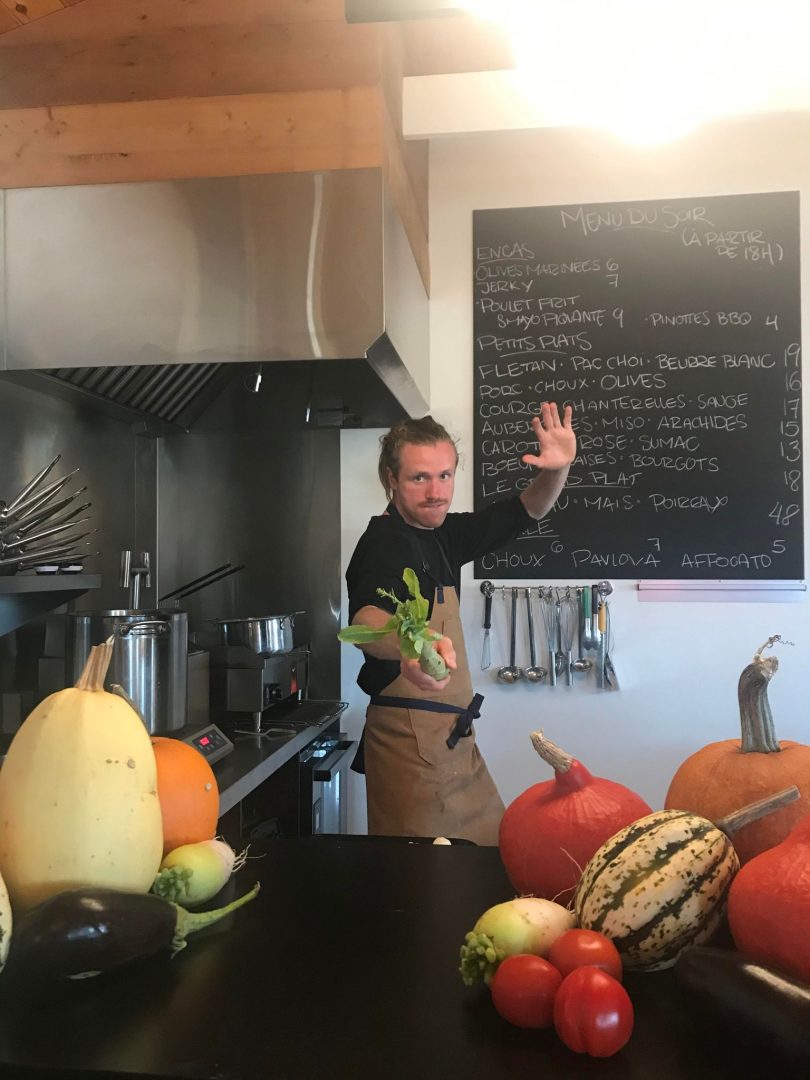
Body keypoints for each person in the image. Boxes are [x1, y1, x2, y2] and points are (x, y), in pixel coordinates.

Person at [345, 401, 576, 844]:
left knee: (482, 855)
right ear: (391, 479)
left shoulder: (442, 534)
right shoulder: (385, 543)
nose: (436, 492)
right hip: (411, 750)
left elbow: (526, 510)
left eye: (445, 475)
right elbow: (368, 620)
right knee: (426, 873)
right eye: (419, 478)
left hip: (450, 741)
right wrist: (411, 644)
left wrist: (557, 469)